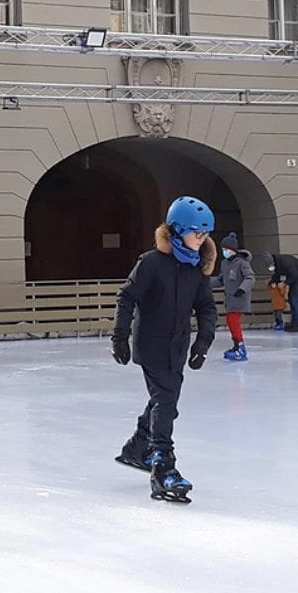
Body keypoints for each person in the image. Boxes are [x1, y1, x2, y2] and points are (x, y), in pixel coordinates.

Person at [110, 196, 218, 504]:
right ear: (178, 229)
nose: (202, 238)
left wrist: (203, 341)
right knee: (166, 401)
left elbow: (206, 307)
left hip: (178, 347)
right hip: (151, 344)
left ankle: (136, 448)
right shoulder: (152, 263)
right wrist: (119, 335)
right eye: (197, 232)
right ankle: (162, 466)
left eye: (206, 233)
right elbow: (126, 297)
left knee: (164, 400)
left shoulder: (196, 269)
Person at [217, 232, 253, 361]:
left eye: (226, 250)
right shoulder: (225, 264)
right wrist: (204, 282)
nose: (224, 252)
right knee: (230, 320)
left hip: (239, 298)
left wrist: (242, 289)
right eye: (223, 250)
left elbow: (250, 277)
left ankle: (240, 347)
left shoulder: (242, 263)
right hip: (230, 299)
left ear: (233, 250)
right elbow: (221, 280)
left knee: (232, 320)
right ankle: (236, 345)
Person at [267, 249, 298, 332]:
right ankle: (295, 323)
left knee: (295, 300)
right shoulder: (279, 263)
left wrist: (285, 283)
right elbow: (276, 275)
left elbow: (294, 274)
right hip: (296, 282)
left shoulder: (285, 262)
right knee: (292, 299)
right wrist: (272, 282)